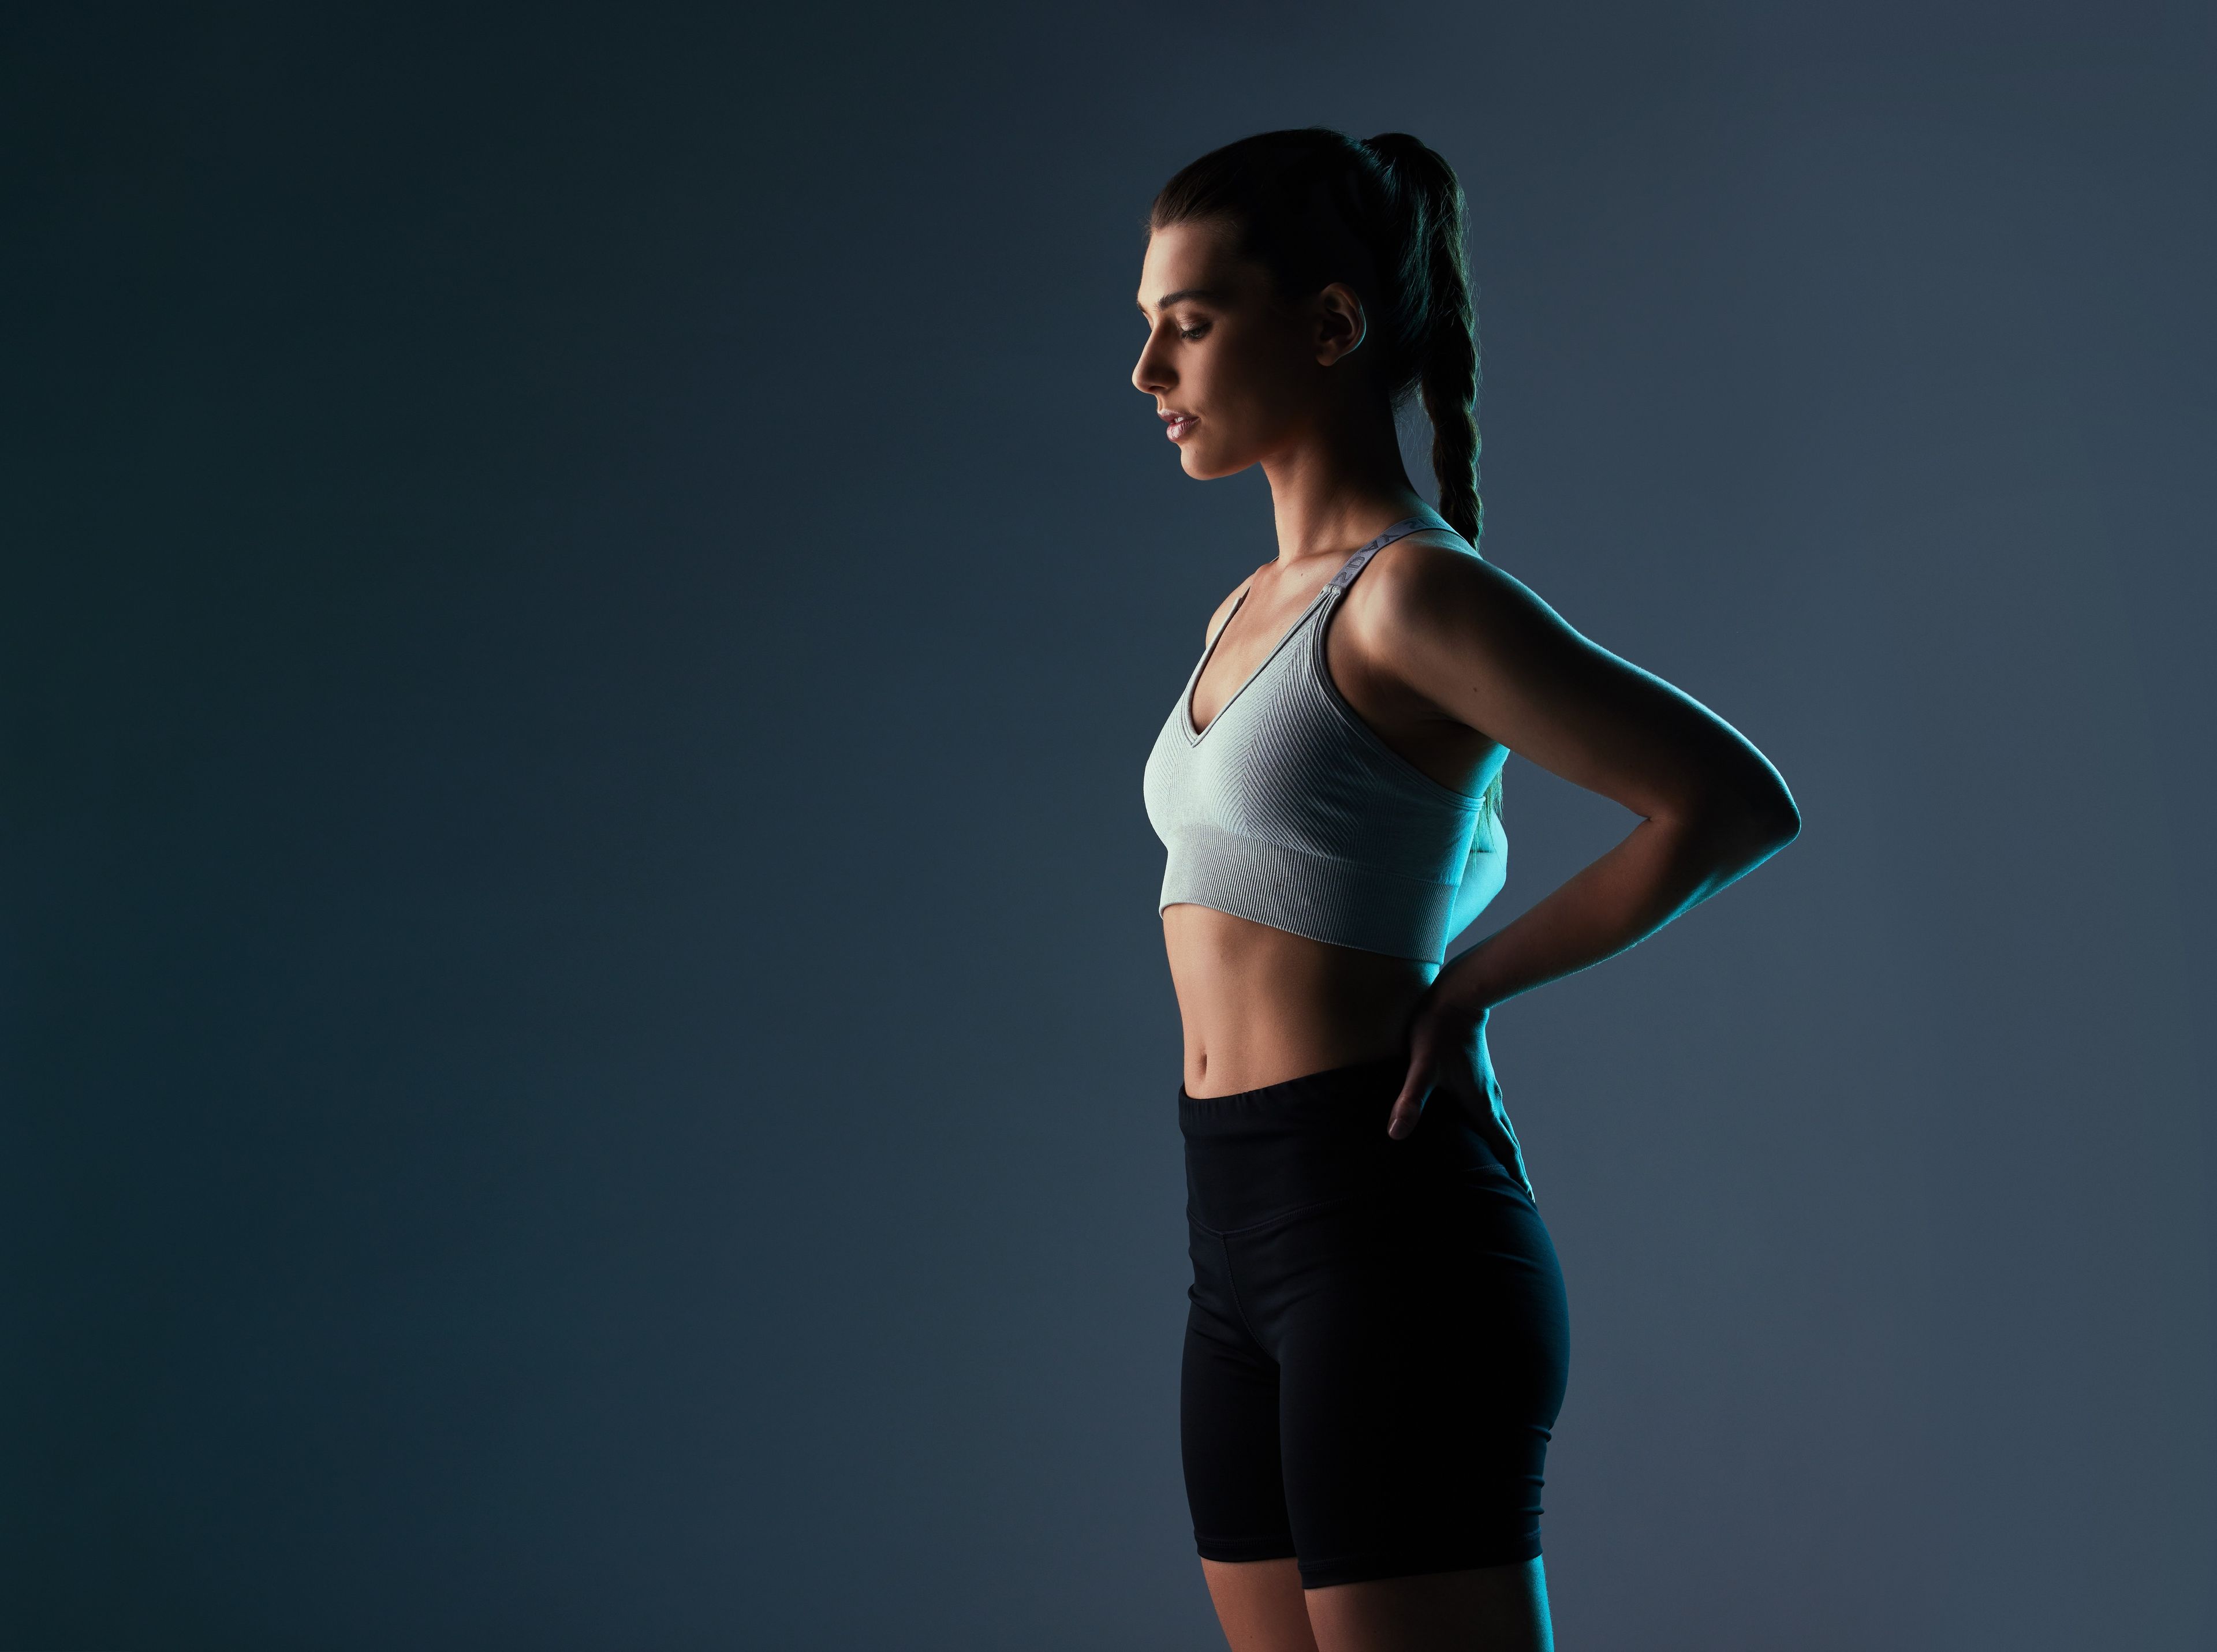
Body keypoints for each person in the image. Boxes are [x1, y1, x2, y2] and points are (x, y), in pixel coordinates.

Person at [1135, 129, 1800, 1652]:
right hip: (1233, 1232)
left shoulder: (1408, 596)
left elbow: (1728, 801)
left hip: (1383, 1238)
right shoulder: (1246, 608)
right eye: (1149, 324)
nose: (1149, 371)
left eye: (1191, 322)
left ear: (1331, 325)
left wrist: (1477, 983)